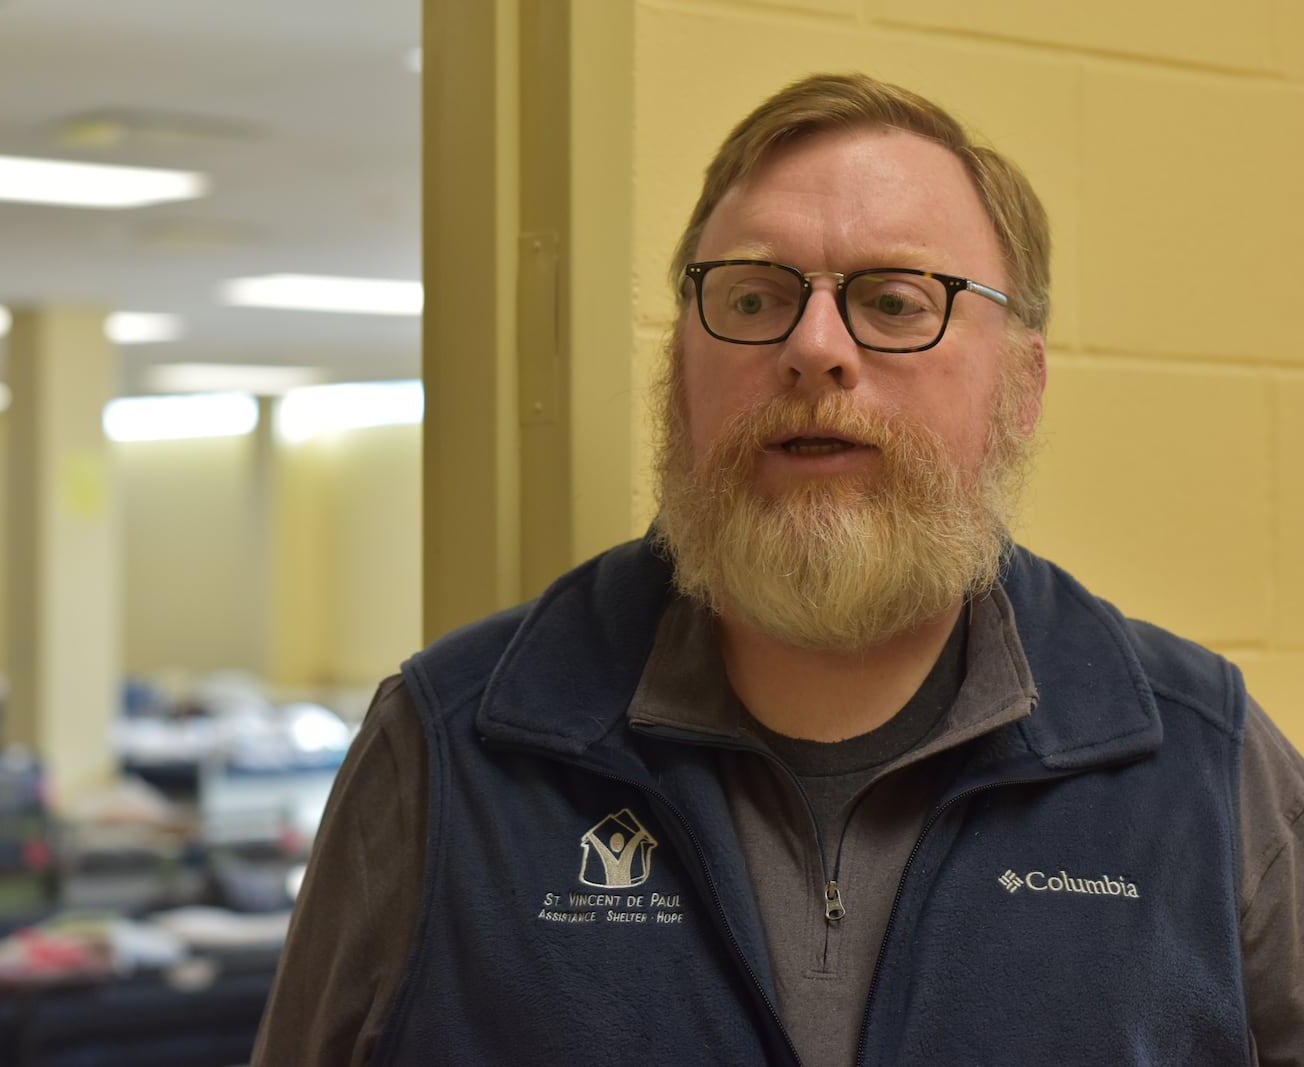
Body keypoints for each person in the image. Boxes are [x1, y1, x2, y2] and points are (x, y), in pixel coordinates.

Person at [253, 72, 1304, 1066]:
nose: (813, 347)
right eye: (752, 298)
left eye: (895, 300)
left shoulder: (1203, 768)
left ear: (1019, 387)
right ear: (679, 378)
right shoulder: (451, 747)